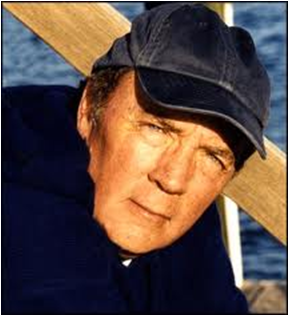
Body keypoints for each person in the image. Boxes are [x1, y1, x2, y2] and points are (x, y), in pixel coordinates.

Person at [1, 3, 270, 314]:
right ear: (89, 110)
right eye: (156, 128)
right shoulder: (23, 196)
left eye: (212, 156)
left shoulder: (167, 201)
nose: (173, 179)